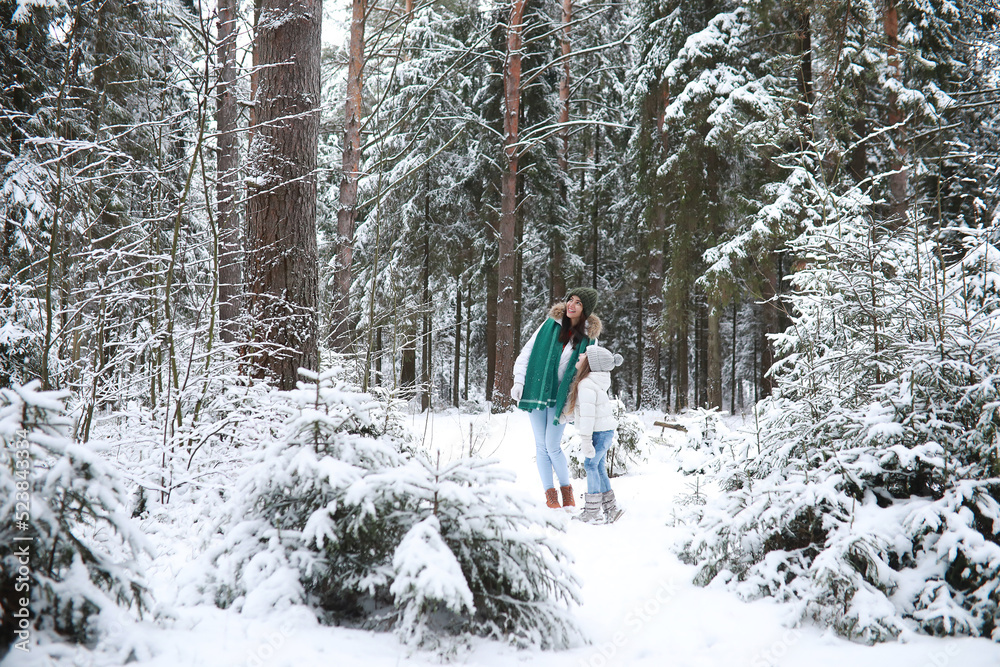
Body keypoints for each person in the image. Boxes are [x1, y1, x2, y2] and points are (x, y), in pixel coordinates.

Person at [511, 287, 601, 509]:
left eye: (578, 302)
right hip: (538, 390)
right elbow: (527, 352)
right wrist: (519, 380)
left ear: (585, 309)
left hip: (562, 396)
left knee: (552, 445)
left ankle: (566, 489)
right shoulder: (550, 324)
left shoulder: (590, 339)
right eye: (570, 299)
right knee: (541, 446)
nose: (571, 304)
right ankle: (550, 495)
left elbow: (591, 371)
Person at [563, 345, 624, 523]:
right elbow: (587, 411)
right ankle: (611, 510)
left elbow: (589, 417)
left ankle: (593, 512)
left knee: (590, 465)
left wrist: (586, 441)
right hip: (604, 431)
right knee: (597, 467)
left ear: (590, 362)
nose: (580, 355)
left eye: (585, 354)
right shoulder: (595, 381)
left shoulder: (586, 384)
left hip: (597, 433)